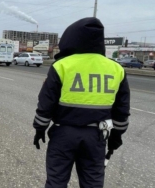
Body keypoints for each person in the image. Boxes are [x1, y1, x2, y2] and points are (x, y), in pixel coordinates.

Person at [32, 17, 130, 188]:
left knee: (56, 181)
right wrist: (116, 136)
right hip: (96, 137)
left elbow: (46, 104)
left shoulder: (61, 65)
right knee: (92, 182)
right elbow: (121, 110)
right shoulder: (116, 69)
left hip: (63, 134)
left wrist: (40, 129)